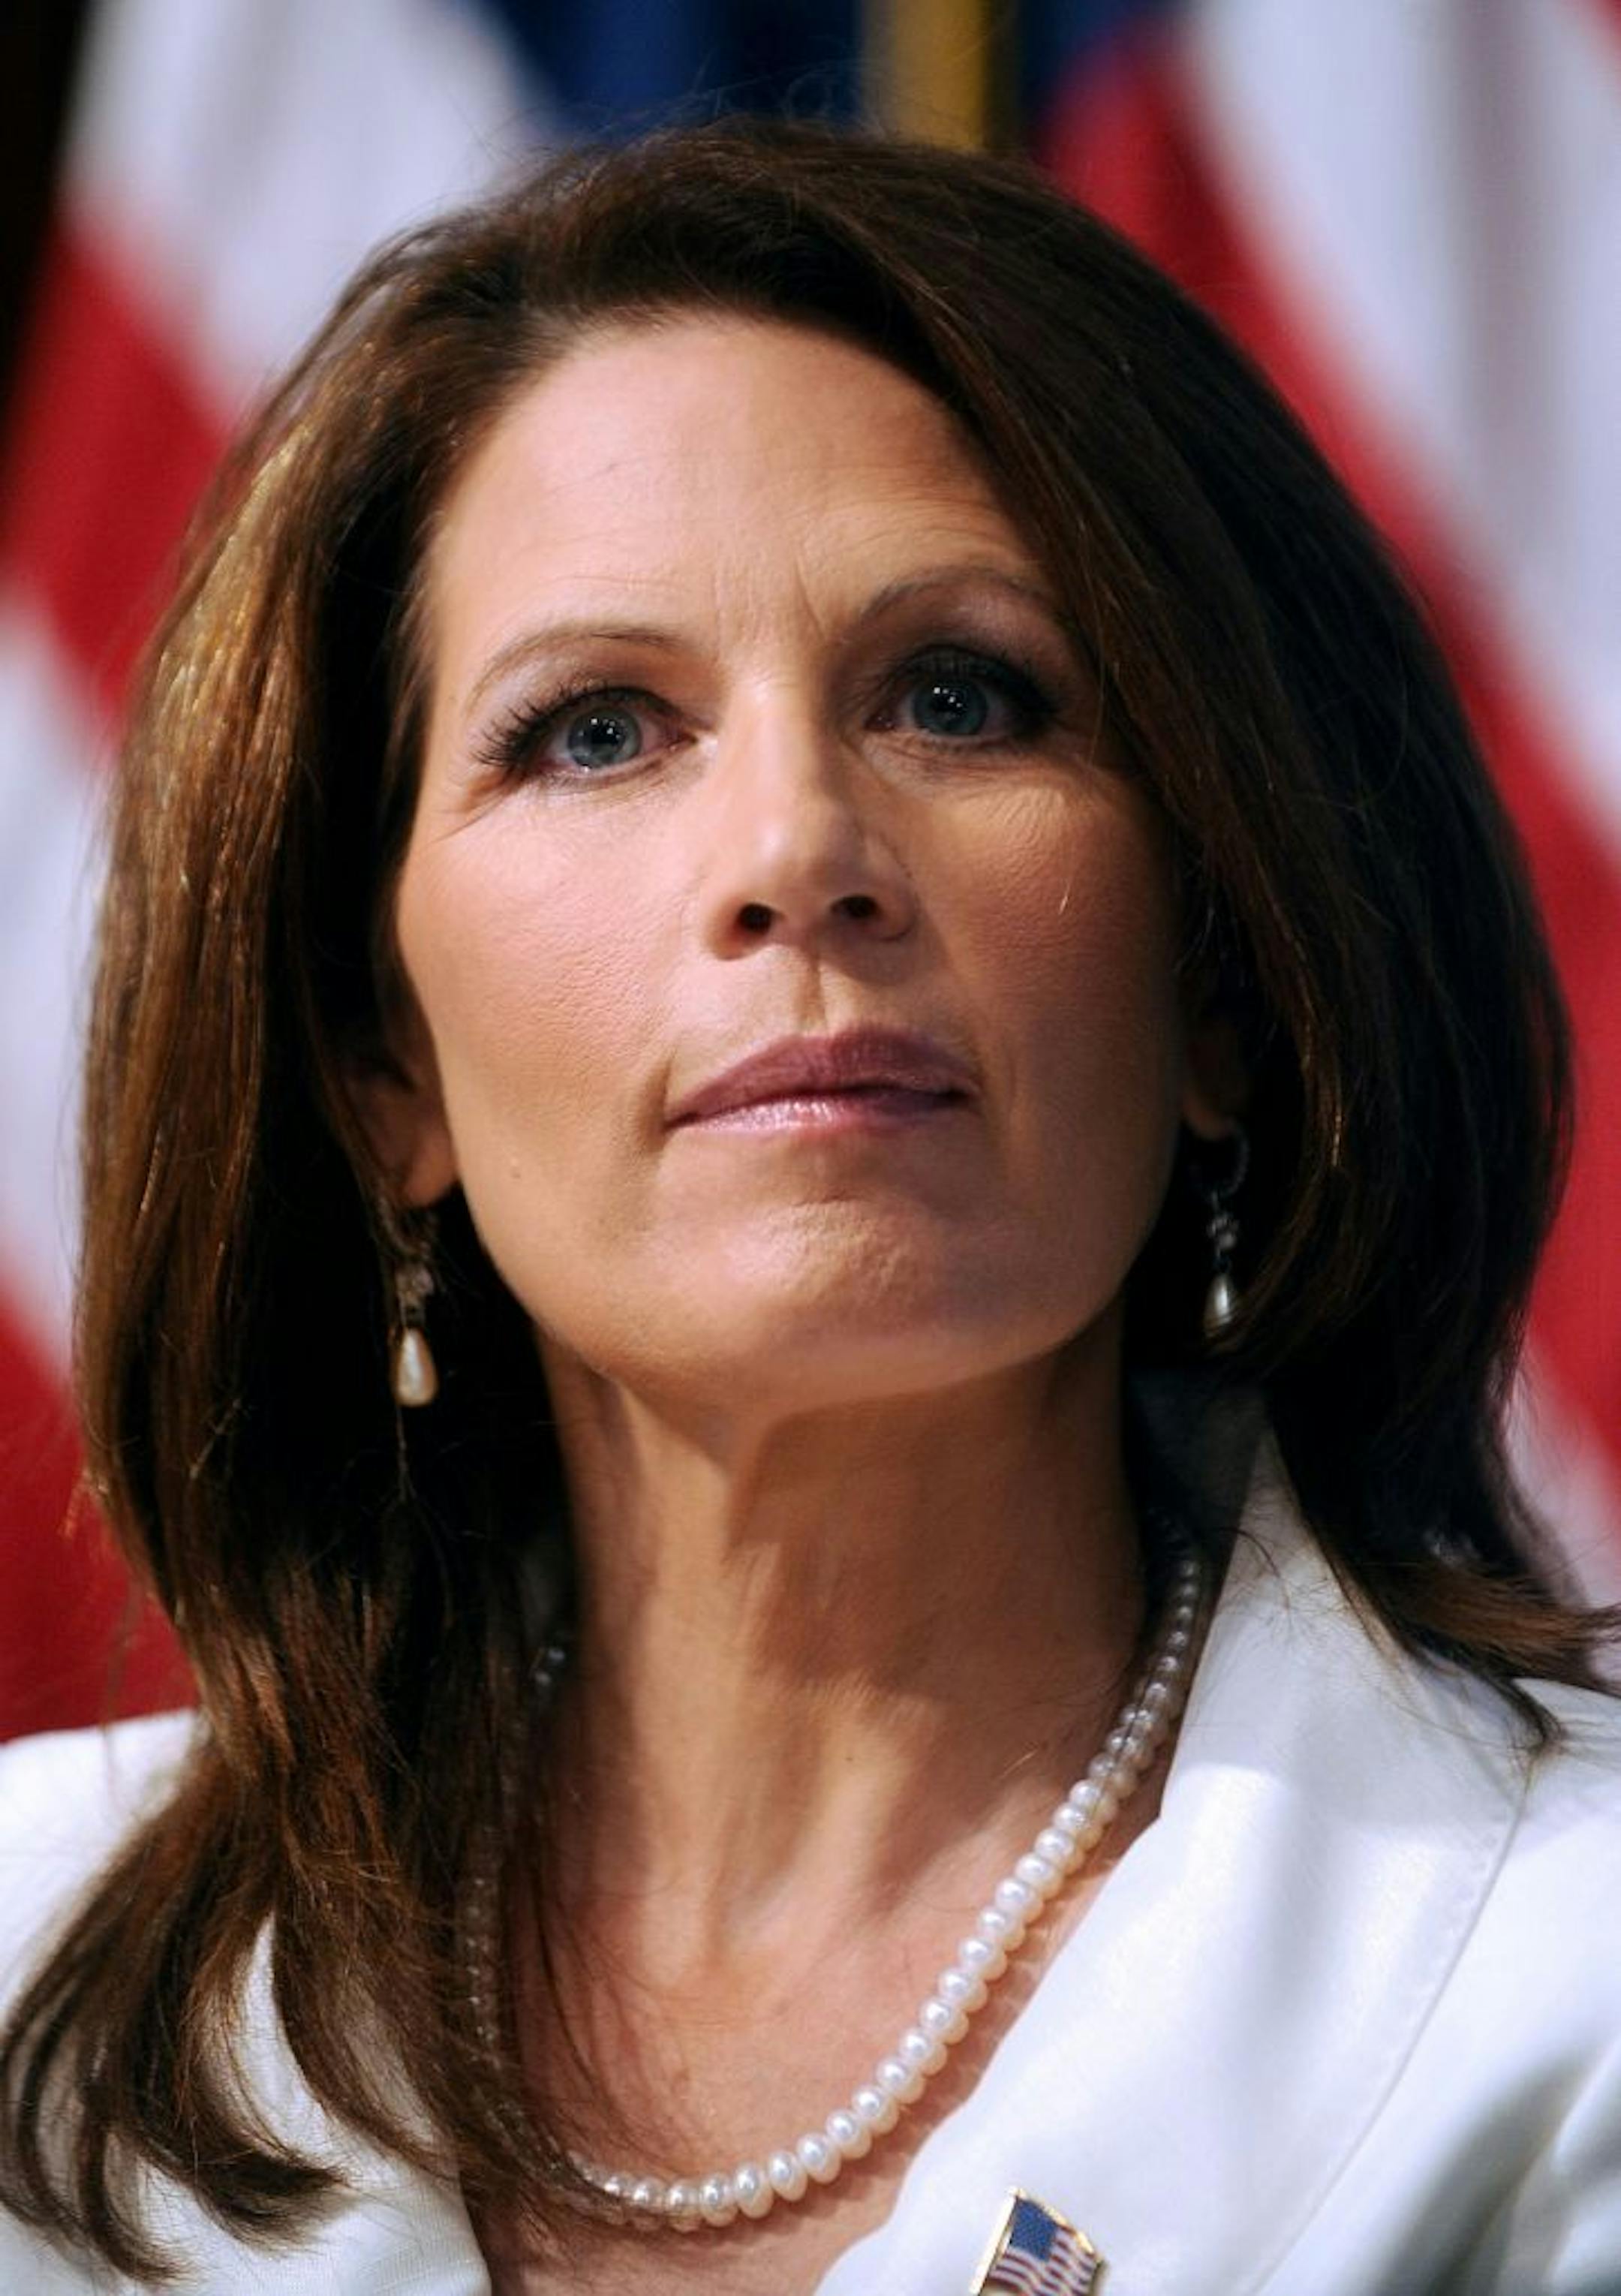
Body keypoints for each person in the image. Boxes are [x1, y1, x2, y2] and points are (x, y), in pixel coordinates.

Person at [1, 115, 1617, 2296]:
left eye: (961, 695)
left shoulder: (1573, 1966)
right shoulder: (25, 1977)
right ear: (388, 1069)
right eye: (593, 731)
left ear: (1225, 978)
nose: (799, 844)